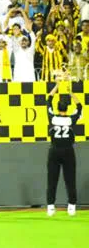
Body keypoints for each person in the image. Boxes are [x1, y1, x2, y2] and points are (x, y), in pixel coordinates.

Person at [45, 84, 83, 217]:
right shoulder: (70, 119)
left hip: (54, 150)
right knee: (70, 179)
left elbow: (48, 99)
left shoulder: (52, 118)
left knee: (52, 179)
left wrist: (57, 85)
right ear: (67, 109)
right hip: (68, 151)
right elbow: (79, 106)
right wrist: (70, 92)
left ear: (57, 108)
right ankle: (71, 207)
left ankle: (50, 207)